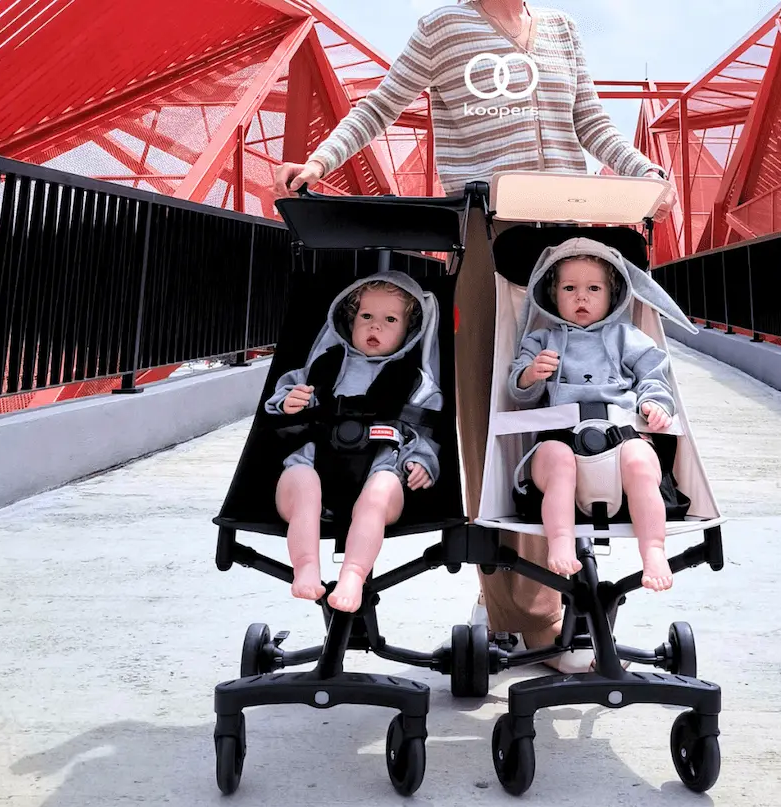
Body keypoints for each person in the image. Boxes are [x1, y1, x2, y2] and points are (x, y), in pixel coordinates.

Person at [271, 0, 676, 670]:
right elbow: (382, 103)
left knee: (573, 413)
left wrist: (638, 171)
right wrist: (319, 162)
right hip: (490, 234)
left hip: (571, 237)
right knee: (498, 419)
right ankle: (519, 611)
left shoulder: (562, 30)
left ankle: (553, 592)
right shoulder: (443, 27)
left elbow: (590, 122)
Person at [265, 273, 441, 613]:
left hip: (378, 468)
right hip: (314, 462)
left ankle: (353, 576)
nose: (375, 327)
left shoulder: (415, 380)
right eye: (366, 317)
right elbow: (286, 392)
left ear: (410, 330)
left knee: (380, 492)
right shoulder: (324, 365)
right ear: (349, 320)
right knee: (301, 482)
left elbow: (426, 431)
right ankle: (305, 567)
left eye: (390, 320)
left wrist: (421, 461)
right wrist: (288, 402)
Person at [509, 238, 677, 592]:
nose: (581, 297)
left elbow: (653, 376)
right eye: (569, 288)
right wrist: (531, 375)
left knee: (642, 462)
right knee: (556, 460)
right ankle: (560, 540)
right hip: (560, 439)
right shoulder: (541, 341)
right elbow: (517, 392)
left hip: (619, 439)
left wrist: (655, 405)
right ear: (553, 295)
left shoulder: (627, 337)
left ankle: (654, 549)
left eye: (593, 288)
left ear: (612, 296)